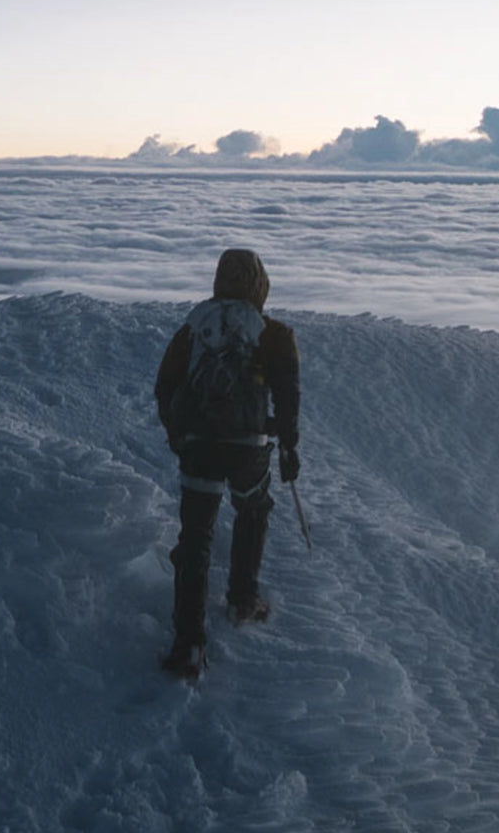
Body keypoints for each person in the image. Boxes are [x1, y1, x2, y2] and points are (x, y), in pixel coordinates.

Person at [155, 248, 300, 677]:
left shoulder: (194, 329)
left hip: (199, 443)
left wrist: (178, 436)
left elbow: (165, 387)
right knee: (253, 510)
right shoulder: (273, 333)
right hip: (248, 445)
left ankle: (188, 645)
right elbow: (288, 397)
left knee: (196, 536)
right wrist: (288, 445)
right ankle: (242, 600)